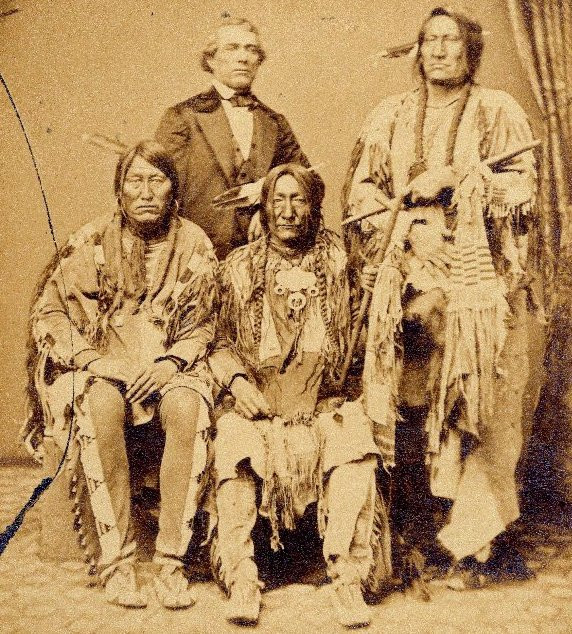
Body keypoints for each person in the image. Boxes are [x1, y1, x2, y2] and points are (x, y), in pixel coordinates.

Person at [343, 6, 537, 589]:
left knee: (479, 403)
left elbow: (523, 188)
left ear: (470, 50)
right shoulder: (390, 115)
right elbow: (362, 193)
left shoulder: (498, 110)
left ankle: (475, 544)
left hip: (482, 285)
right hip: (409, 278)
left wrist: (457, 179)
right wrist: (409, 230)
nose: (439, 50)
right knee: (405, 394)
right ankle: (412, 533)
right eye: (429, 40)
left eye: (451, 40)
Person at [23, 141, 219, 608]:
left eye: (157, 180)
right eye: (135, 180)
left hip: (170, 366)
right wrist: (97, 361)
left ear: (173, 190)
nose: (146, 192)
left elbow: (205, 323)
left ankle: (171, 561)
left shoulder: (194, 242)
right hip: (103, 367)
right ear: (119, 190)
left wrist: (170, 363)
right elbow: (49, 313)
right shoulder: (90, 241)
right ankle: (118, 562)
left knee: (187, 406)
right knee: (99, 403)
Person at [208, 164, 390, 627]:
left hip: (323, 403)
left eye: (299, 200)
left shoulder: (340, 265)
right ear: (265, 208)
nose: (288, 211)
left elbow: (363, 340)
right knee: (233, 444)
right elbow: (218, 342)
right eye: (279, 200)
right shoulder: (239, 268)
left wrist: (372, 292)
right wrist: (238, 383)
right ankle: (242, 578)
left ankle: (348, 579)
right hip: (260, 404)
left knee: (353, 441)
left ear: (313, 207)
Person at [156, 17, 312, 260]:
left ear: (258, 61)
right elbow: (160, 191)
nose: (243, 57)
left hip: (264, 258)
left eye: (251, 49)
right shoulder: (182, 117)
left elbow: (309, 180)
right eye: (232, 48)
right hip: (198, 257)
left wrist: (268, 207)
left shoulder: (275, 122)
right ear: (211, 59)